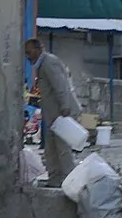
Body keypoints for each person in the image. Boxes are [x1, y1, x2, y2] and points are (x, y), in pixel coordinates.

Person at [26, 37, 83, 182]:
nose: (28, 56)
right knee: (51, 148)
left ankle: (68, 180)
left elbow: (61, 85)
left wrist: (64, 106)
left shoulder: (49, 62)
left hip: (62, 113)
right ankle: (55, 178)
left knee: (63, 149)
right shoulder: (42, 65)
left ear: (39, 49)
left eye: (30, 52)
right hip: (53, 115)